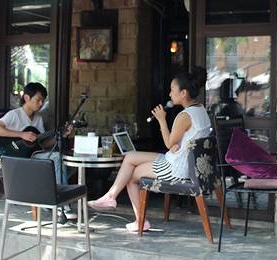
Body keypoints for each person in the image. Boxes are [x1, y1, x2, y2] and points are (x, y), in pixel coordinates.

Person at [88, 67, 211, 233]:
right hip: (184, 161)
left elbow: (168, 144)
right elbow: (190, 138)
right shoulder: (201, 110)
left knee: (132, 176)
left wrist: (161, 120)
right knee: (130, 157)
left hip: (177, 168)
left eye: (172, 89)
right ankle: (111, 196)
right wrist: (180, 143)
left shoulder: (184, 116)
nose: (169, 94)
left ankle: (140, 220)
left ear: (183, 93)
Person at [0, 82, 72, 190]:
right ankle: (60, 194)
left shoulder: (38, 118)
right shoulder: (14, 114)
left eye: (43, 101)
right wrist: (21, 134)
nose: (41, 103)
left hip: (30, 156)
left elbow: (42, 144)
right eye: (38, 100)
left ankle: (51, 192)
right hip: (14, 157)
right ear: (27, 98)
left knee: (61, 157)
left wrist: (62, 135)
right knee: (56, 157)